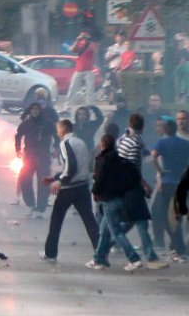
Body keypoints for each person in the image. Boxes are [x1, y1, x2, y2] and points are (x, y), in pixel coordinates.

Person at [40, 119, 99, 263]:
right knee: (89, 220)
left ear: (62, 130)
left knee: (56, 220)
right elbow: (78, 167)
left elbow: (71, 167)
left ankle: (51, 253)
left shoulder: (65, 143)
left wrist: (59, 181)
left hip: (68, 189)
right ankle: (100, 250)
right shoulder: (81, 143)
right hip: (83, 187)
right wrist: (54, 177)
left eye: (58, 130)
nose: (58, 133)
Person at [86, 134, 146, 271]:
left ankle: (134, 258)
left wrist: (95, 192)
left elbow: (100, 179)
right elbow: (135, 175)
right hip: (121, 199)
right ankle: (99, 260)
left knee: (116, 233)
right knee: (105, 232)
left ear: (102, 145)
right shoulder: (121, 161)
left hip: (108, 201)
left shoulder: (102, 160)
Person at [116, 113, 164, 266]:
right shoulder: (135, 142)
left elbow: (146, 157)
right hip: (132, 187)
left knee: (132, 221)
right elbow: (132, 168)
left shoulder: (123, 139)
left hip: (125, 186)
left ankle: (104, 246)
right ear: (142, 127)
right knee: (141, 221)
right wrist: (146, 184)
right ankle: (150, 255)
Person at [150, 118, 189, 261]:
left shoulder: (162, 142)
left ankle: (178, 247)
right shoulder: (185, 144)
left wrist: (160, 171)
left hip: (167, 183)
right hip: (181, 184)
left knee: (165, 216)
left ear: (166, 130)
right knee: (176, 215)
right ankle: (178, 247)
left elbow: (153, 157)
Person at [15, 102, 58, 218]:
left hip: (44, 157)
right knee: (24, 179)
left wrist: (56, 149)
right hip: (29, 156)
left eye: (37, 109)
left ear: (40, 111)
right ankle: (30, 205)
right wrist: (18, 150)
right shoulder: (26, 123)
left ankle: (40, 208)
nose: (35, 111)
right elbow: (18, 135)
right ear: (30, 110)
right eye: (33, 109)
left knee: (43, 182)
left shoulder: (47, 124)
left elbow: (57, 136)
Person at [64, 30, 97, 113]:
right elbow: (72, 49)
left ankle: (90, 107)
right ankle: (67, 108)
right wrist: (77, 40)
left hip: (89, 70)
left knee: (90, 90)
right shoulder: (79, 43)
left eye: (86, 35)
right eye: (83, 35)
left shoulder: (92, 44)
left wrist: (88, 42)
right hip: (79, 69)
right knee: (72, 88)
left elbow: (94, 51)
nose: (84, 37)